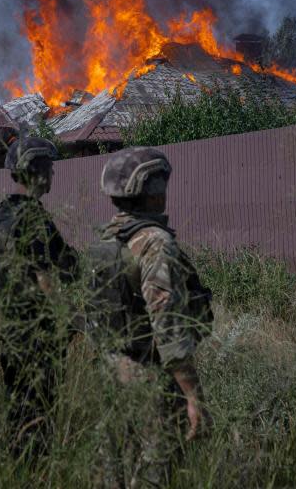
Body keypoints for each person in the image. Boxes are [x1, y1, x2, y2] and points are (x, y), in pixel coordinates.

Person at [88, 147, 212, 486]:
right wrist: (192, 395)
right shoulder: (154, 242)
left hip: (108, 369)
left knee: (113, 467)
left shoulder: (107, 238)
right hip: (148, 374)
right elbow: (166, 324)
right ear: (153, 190)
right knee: (155, 469)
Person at [0, 137, 77, 457]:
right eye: (49, 168)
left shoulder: (0, 215)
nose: (53, 174)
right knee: (39, 421)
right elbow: (46, 276)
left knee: (19, 417)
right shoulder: (33, 218)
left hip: (11, 332)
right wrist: (68, 318)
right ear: (36, 171)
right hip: (37, 335)